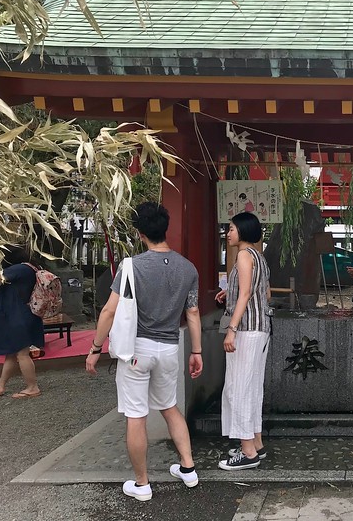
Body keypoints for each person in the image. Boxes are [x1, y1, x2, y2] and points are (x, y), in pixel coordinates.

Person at [85, 202, 203, 502]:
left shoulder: (131, 267)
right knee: (169, 407)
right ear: (165, 228)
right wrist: (197, 352)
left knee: (136, 415)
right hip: (169, 349)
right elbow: (192, 313)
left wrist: (96, 347)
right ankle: (188, 468)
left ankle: (142, 484)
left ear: (140, 234)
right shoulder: (188, 268)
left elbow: (110, 311)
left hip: (138, 350)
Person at [214, 212, 271, 471]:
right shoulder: (260, 257)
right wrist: (231, 292)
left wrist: (232, 329)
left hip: (247, 330)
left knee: (238, 387)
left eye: (233, 228)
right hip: (261, 328)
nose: (228, 233)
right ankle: (256, 443)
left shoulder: (244, 256)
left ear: (244, 231)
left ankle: (248, 452)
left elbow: (247, 292)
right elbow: (264, 292)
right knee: (252, 387)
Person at [0, 246, 44, 399]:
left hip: (19, 316)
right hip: (24, 314)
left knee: (22, 354)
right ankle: (0, 384)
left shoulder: (20, 269)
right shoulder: (31, 267)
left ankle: (32, 387)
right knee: (12, 353)